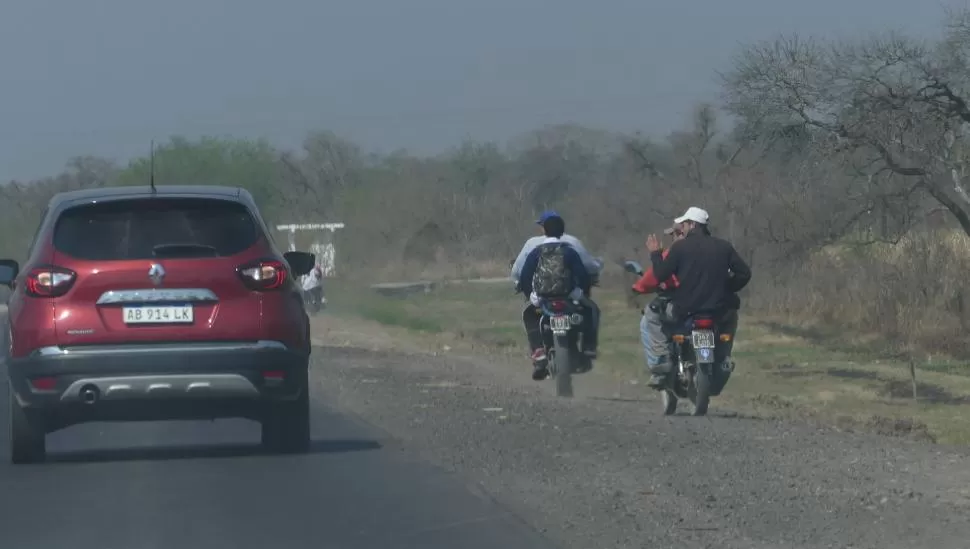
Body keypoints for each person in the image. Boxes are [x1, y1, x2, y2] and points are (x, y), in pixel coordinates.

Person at [643, 207, 751, 388]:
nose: (682, 228)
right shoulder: (723, 247)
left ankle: (663, 359)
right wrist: (727, 288)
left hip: (685, 311)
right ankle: (724, 357)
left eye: (684, 224)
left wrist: (655, 254)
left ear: (692, 225)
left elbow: (661, 274)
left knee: (651, 315)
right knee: (731, 318)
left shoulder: (680, 247)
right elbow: (744, 273)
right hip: (717, 311)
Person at [511, 211, 603, 360]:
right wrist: (582, 291)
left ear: (544, 230)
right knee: (591, 309)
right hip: (568, 295)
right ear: (562, 230)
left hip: (542, 297)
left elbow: (524, 275)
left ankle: (538, 349)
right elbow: (583, 273)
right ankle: (588, 346)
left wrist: (530, 294)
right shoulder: (570, 249)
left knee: (529, 314)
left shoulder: (535, 250)